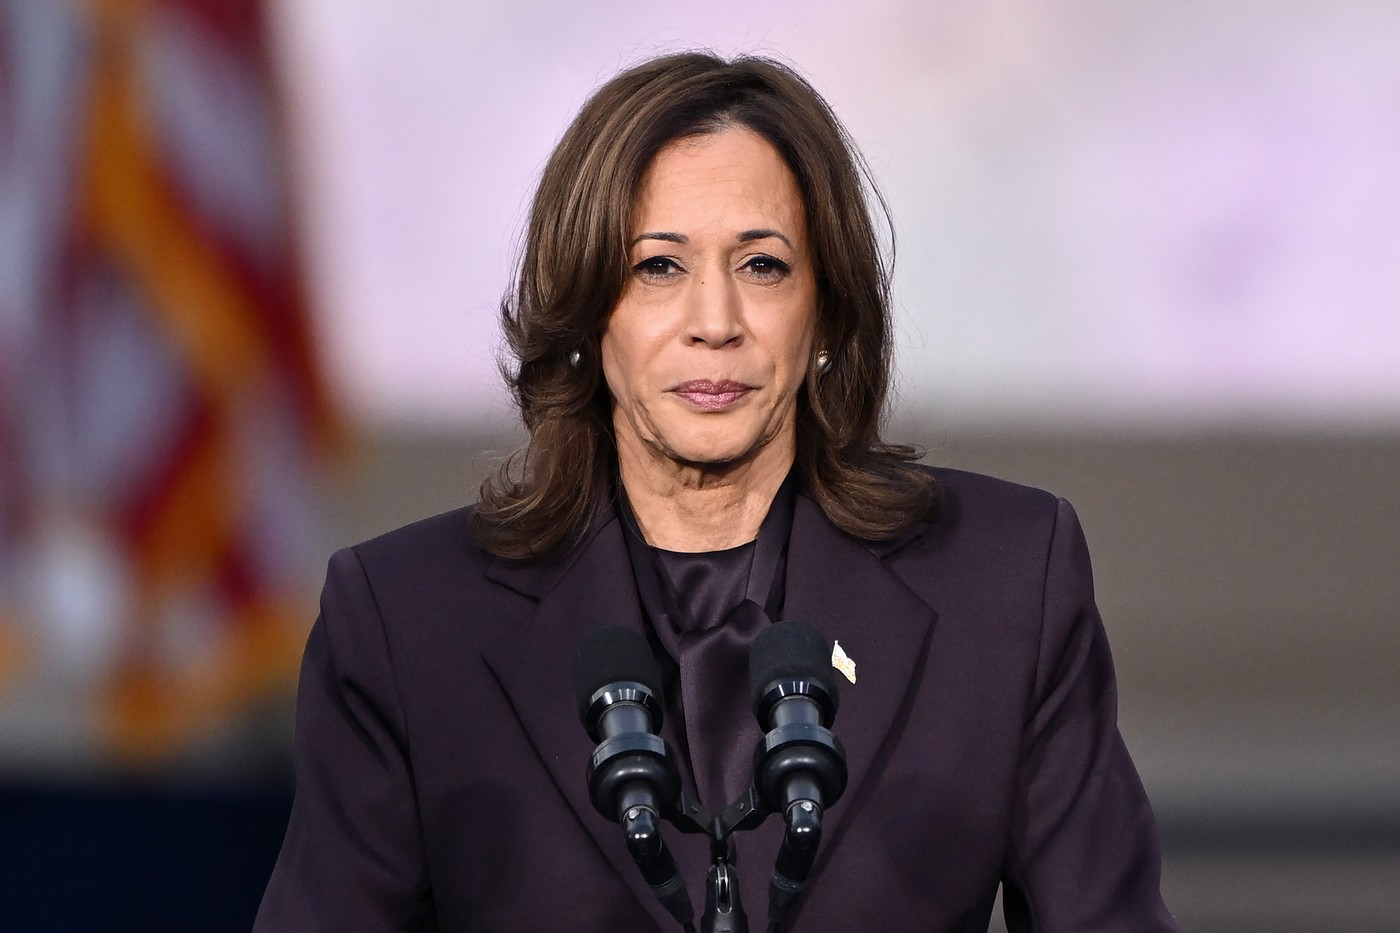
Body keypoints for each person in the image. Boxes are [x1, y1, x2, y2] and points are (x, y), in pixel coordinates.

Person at [254, 52, 1181, 932]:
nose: (715, 323)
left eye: (762, 265)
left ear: (826, 309)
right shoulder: (409, 620)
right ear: (587, 310)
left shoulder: (1006, 580)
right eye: (659, 266)